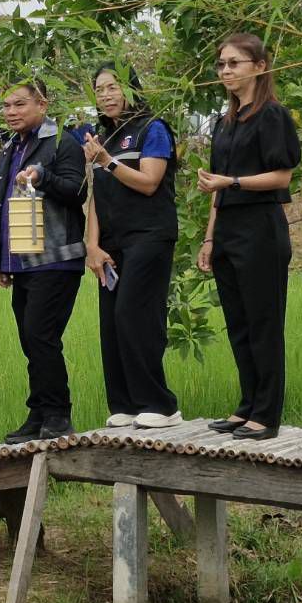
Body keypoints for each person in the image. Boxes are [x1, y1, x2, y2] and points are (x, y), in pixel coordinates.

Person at [197, 33, 301, 441]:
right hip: (227, 231)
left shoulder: (272, 116)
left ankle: (267, 414)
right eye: (221, 64)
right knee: (238, 324)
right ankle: (247, 405)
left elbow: (282, 175)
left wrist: (234, 181)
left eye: (234, 63)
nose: (226, 70)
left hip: (261, 228)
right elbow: (214, 187)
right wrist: (208, 239)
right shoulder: (225, 122)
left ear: (259, 67)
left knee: (263, 323)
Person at [82, 65, 182, 429]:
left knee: (134, 314)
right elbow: (97, 196)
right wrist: (91, 245)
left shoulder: (152, 128)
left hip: (149, 235)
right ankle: (124, 402)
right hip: (112, 242)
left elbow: (150, 182)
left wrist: (106, 162)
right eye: (99, 88)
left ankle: (160, 404)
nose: (106, 94)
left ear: (131, 89)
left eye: (113, 87)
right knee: (111, 321)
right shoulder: (103, 136)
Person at [0, 79, 88, 443]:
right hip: (23, 261)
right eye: (6, 106)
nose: (11, 112)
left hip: (57, 258)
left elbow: (76, 191)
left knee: (41, 334)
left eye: (19, 104)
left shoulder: (63, 142)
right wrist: (4, 259)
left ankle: (59, 416)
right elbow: (4, 205)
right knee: (29, 339)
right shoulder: (11, 147)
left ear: (42, 104)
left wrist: (44, 176)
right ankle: (39, 413)